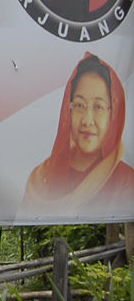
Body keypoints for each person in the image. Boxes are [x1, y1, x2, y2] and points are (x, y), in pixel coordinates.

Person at [21, 53, 134, 218]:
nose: (87, 121)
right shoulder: (42, 178)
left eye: (99, 107)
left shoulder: (126, 181)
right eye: (80, 105)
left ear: (114, 115)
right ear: (69, 110)